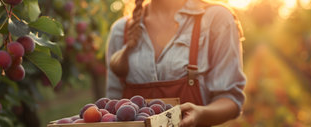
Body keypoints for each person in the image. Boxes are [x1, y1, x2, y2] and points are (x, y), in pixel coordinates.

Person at [105, 0, 246, 126]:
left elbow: (230, 100)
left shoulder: (216, 19)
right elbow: (112, 106)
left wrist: (201, 114)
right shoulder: (121, 31)